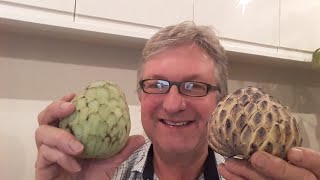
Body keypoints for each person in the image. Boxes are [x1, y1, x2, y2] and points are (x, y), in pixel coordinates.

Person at [35, 21, 320, 180]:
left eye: (194, 86)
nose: (172, 105)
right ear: (140, 96)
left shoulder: (254, 176)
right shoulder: (103, 175)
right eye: (156, 84)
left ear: (220, 101)